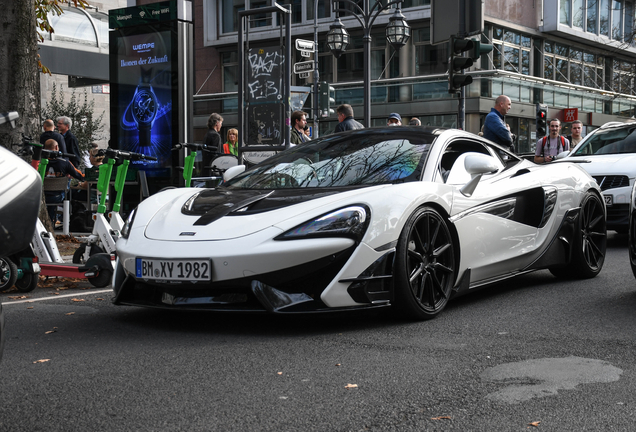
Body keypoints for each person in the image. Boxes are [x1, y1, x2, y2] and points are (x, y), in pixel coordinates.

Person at [43, 139, 84, 225]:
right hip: (58, 196)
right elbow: (79, 176)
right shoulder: (65, 163)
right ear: (57, 147)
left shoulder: (41, 163)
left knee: (49, 196)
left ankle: (49, 220)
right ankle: (52, 221)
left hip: (42, 196)